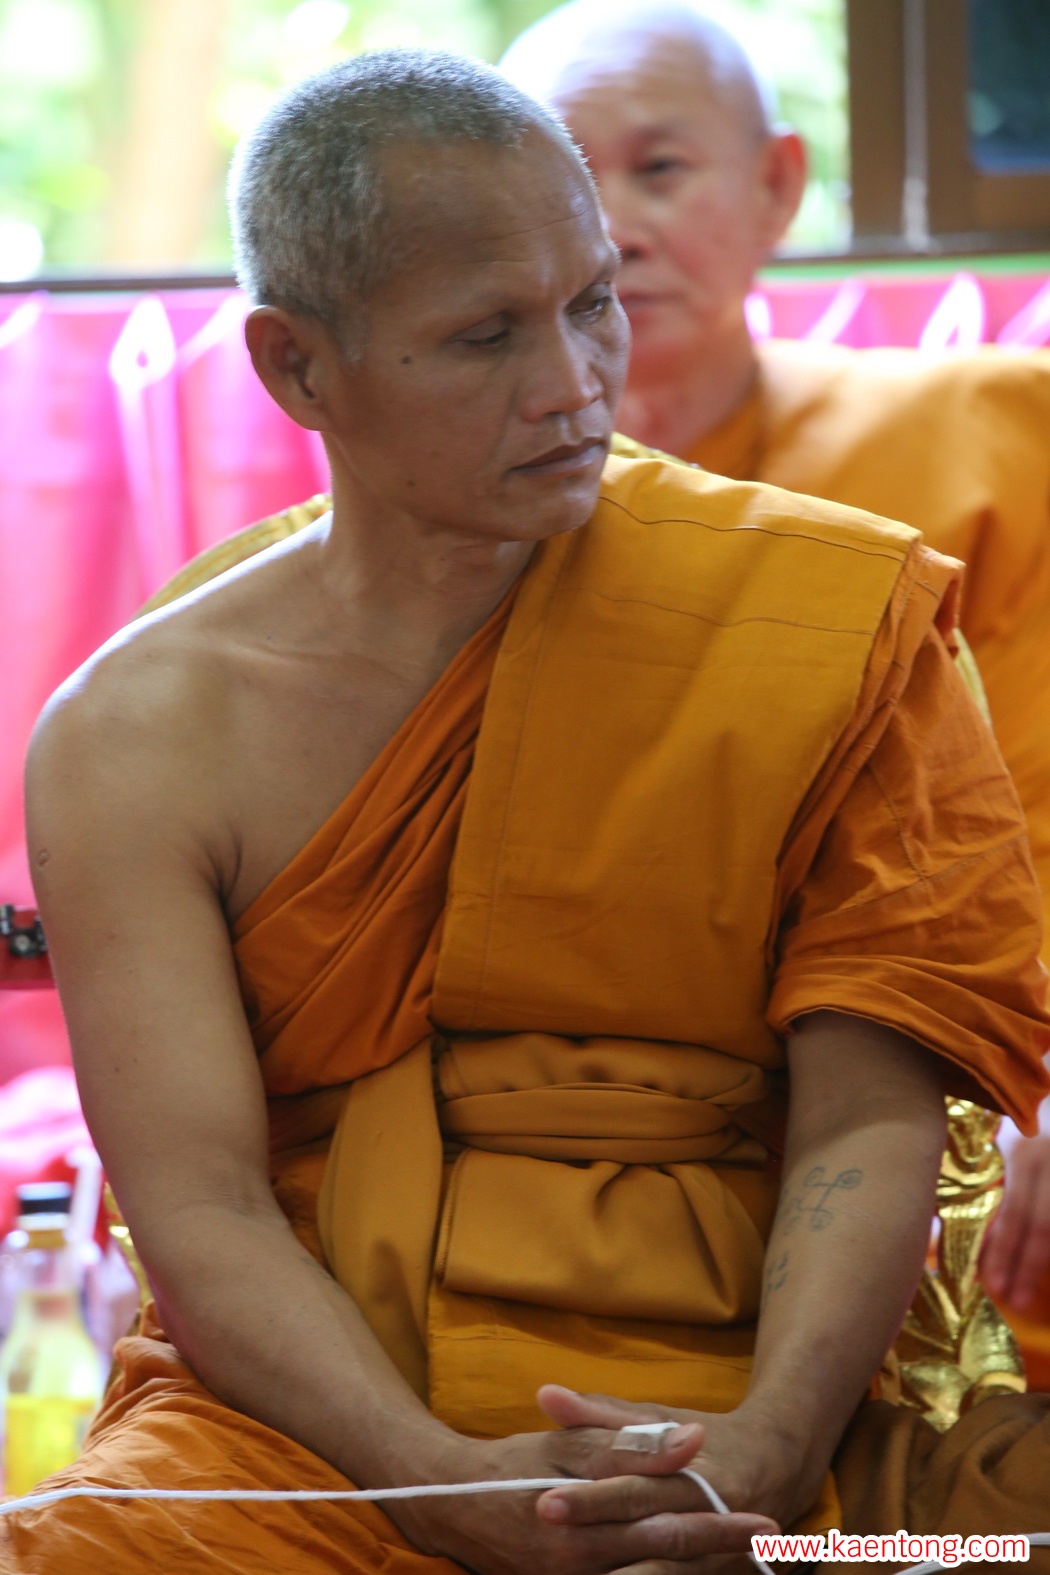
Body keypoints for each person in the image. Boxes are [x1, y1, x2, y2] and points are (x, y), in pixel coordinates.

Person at [8, 49, 1050, 1575]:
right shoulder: (143, 734)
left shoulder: (832, 624)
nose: (572, 383)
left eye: (590, 303)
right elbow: (205, 1210)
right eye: (485, 335)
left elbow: (866, 1114)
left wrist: (759, 1455)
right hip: (319, 1420)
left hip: (777, 1390)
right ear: (297, 369)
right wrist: (430, 1480)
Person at [498, 0, 1050, 1349]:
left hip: (961, 1094)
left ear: (777, 187)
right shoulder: (445, 528)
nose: (616, 231)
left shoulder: (985, 440)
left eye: (659, 168)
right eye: (569, 183)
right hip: (588, 1156)